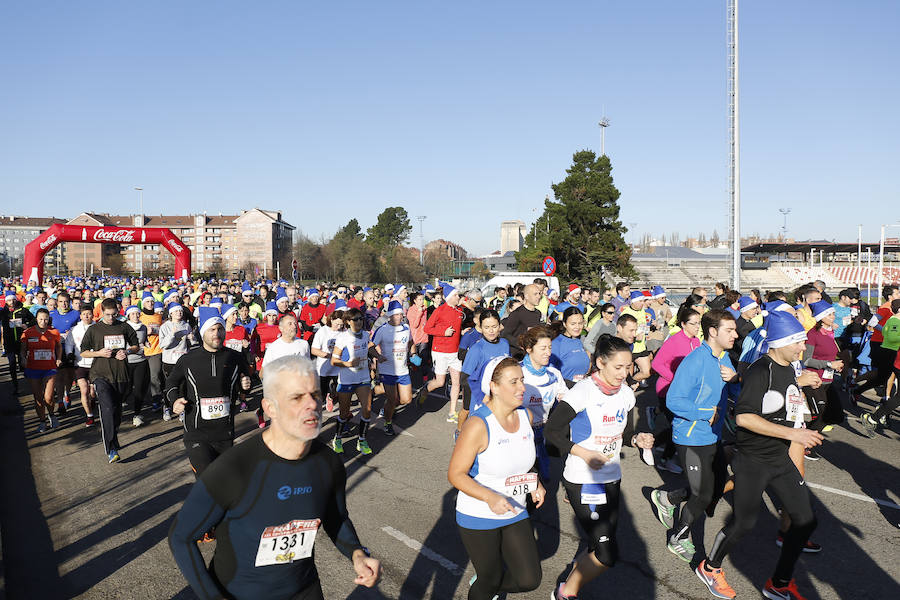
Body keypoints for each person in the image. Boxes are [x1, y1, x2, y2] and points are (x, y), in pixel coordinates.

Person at [168, 355, 381, 599]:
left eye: (315, 394)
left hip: (305, 590)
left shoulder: (328, 463)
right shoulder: (235, 468)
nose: (311, 405)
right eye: (296, 397)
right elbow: (181, 537)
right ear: (270, 408)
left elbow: (336, 517)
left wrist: (357, 553)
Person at [693, 311, 823, 600]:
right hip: (753, 461)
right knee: (744, 523)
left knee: (805, 520)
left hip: (779, 459)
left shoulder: (788, 367)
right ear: (780, 343)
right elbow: (744, 418)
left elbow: (780, 393)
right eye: (798, 343)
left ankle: (779, 582)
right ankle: (710, 567)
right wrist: (795, 435)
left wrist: (801, 382)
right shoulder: (758, 371)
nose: (803, 348)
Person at [545, 334, 655, 600]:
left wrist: (636, 439)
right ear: (600, 363)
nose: (624, 373)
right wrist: (584, 453)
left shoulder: (627, 394)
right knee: (607, 553)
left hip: (611, 476)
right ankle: (565, 592)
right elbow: (552, 431)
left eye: (628, 367)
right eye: (618, 367)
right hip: (582, 478)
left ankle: (572, 578)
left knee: (598, 543)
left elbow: (624, 432)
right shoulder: (583, 391)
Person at [448, 356, 545, 600]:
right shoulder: (478, 425)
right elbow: (455, 474)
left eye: (522, 380)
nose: (522, 387)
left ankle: (488, 584)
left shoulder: (526, 417)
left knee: (529, 579)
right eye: (514, 382)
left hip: (515, 508)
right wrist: (489, 496)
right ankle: (486, 585)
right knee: (489, 580)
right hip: (478, 514)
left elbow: (524, 462)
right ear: (493, 387)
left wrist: (536, 482)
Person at [649, 309, 738, 563]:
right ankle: (678, 537)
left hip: (712, 436)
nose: (735, 334)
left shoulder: (725, 359)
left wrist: (736, 377)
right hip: (689, 436)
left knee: (716, 487)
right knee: (701, 495)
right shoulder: (695, 360)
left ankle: (667, 498)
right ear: (713, 332)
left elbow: (733, 384)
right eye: (729, 330)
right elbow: (674, 400)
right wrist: (702, 412)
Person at [168, 308, 252, 494]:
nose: (217, 333)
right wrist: (174, 400)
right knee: (207, 482)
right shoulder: (188, 359)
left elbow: (245, 383)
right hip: (197, 433)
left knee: (225, 484)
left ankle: (218, 520)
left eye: (220, 329)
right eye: (212, 329)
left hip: (225, 433)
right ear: (203, 331)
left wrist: (245, 385)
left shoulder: (234, 357)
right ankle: (209, 521)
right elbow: (172, 383)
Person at [79, 298, 140, 463]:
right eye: (107, 315)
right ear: (102, 312)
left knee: (116, 412)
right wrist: (99, 353)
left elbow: (136, 346)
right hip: (100, 375)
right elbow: (83, 352)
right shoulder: (94, 329)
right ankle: (111, 449)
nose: (111, 318)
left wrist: (126, 352)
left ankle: (114, 435)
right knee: (107, 409)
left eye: (114, 314)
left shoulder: (124, 326)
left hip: (121, 375)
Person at [649, 307, 702, 474]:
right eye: (693, 324)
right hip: (667, 390)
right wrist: (676, 380)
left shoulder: (696, 342)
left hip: (686, 392)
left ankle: (654, 443)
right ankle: (665, 459)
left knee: (678, 424)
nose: (697, 327)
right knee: (680, 425)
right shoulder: (674, 340)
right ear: (683, 324)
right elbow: (656, 364)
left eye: (698, 323)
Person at [520, 325, 567, 480]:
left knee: (543, 480)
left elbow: (567, 400)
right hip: (519, 436)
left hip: (542, 434)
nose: (548, 352)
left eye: (550, 347)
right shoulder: (517, 372)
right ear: (529, 348)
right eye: (543, 348)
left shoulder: (554, 374)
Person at [330, 307, 373, 455]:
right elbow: (333, 361)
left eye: (361, 318)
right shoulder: (342, 338)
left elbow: (369, 347)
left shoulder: (366, 335)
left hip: (363, 378)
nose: (359, 321)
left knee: (367, 409)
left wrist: (377, 357)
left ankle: (362, 440)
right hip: (347, 379)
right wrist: (348, 364)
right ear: (348, 322)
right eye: (355, 319)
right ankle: (338, 438)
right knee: (344, 413)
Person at [369, 301, 416, 437]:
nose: (401, 317)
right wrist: (378, 356)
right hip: (387, 370)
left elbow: (411, 342)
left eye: (402, 314)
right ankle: (387, 423)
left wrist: (413, 353)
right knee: (392, 398)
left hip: (403, 370)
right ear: (390, 316)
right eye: (397, 315)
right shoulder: (383, 330)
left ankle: (376, 393)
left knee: (406, 400)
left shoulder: (406, 328)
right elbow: (371, 345)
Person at [420, 283, 465, 422]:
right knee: (440, 382)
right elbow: (427, 328)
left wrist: (463, 332)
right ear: (450, 297)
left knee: (456, 383)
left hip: (455, 353)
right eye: (456, 295)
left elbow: (458, 328)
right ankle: (424, 390)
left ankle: (452, 412)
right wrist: (443, 332)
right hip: (440, 352)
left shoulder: (459, 311)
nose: (459, 297)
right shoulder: (439, 310)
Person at [20, 307, 62, 433]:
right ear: (36, 319)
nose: (43, 322)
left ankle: (52, 415)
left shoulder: (54, 332)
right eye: (41, 319)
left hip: (49, 367)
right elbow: (23, 349)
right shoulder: (27, 333)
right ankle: (42, 421)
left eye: (46, 319)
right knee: (38, 397)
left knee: (48, 397)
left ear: (49, 319)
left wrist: (59, 358)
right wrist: (22, 358)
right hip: (33, 368)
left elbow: (59, 346)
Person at [65, 305, 97, 426]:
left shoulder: (98, 327)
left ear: (93, 315)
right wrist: (69, 354)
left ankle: (92, 399)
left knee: (92, 392)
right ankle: (90, 416)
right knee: (84, 391)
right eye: (84, 314)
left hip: (95, 363)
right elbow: (69, 343)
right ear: (80, 316)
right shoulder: (75, 329)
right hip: (79, 364)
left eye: (89, 314)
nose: (86, 316)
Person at [49, 292, 80, 415]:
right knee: (59, 376)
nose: (64, 304)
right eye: (61, 301)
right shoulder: (52, 315)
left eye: (66, 301)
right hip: (57, 349)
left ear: (70, 302)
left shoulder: (75, 314)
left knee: (69, 376)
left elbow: (80, 329)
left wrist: (71, 333)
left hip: (71, 350)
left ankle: (68, 393)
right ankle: (60, 401)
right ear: (57, 302)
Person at [0, 291, 36, 394]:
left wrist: (26, 325)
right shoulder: (3, 312)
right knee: (11, 364)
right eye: (9, 300)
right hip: (9, 342)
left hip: (22, 341)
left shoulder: (23, 310)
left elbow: (33, 320)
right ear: (6, 301)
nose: (11, 302)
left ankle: (31, 384)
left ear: (16, 300)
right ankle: (15, 387)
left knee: (23, 364)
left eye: (13, 300)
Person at [311, 308, 344, 412]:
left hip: (339, 367)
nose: (339, 327)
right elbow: (314, 350)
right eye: (337, 324)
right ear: (332, 320)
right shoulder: (323, 331)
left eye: (341, 325)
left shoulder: (344, 331)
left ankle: (331, 397)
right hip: (324, 367)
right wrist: (330, 355)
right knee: (322, 392)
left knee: (340, 390)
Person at [123, 305, 151, 427]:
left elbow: (143, 341)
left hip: (141, 361)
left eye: (137, 314)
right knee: (127, 389)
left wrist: (146, 344)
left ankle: (137, 414)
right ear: (128, 316)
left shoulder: (143, 327)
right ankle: (119, 403)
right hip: (127, 361)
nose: (135, 316)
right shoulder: (124, 327)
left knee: (139, 389)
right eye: (133, 314)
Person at [549, 307, 590, 387]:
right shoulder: (556, 344)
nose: (577, 327)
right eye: (573, 324)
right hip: (564, 392)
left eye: (580, 323)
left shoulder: (578, 342)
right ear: (565, 324)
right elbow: (550, 373)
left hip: (581, 391)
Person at [500, 284, 542, 359]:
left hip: (532, 355)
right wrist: (522, 344)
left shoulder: (538, 313)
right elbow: (505, 334)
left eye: (539, 293)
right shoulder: (517, 313)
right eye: (535, 294)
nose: (539, 296)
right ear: (526, 296)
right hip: (518, 356)